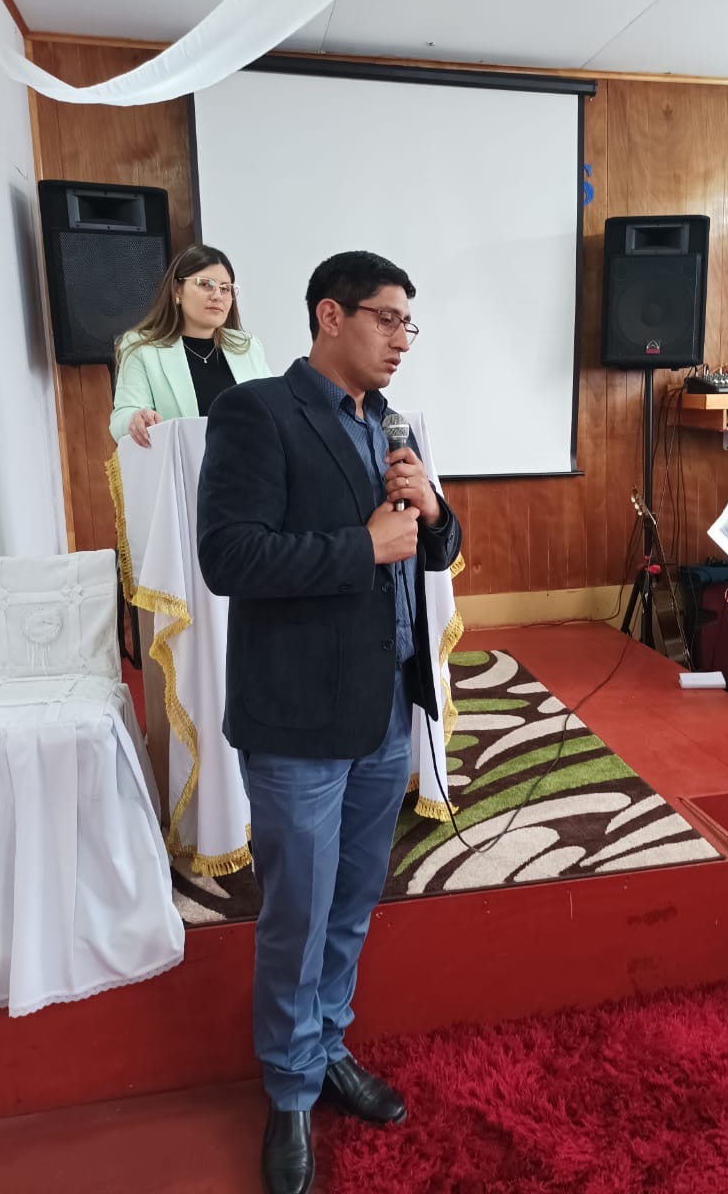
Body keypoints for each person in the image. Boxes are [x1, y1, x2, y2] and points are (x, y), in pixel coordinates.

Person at [196, 250, 461, 1194]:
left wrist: (432, 512)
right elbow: (229, 557)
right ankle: (288, 1088)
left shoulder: (388, 425)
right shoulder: (258, 412)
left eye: (407, 324)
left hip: (384, 708)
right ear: (329, 316)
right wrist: (362, 546)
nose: (401, 340)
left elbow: (434, 545)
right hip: (299, 716)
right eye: (386, 319)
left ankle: (327, 1044)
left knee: (351, 903)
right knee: (297, 914)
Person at [109, 243, 271, 446]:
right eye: (205, 284)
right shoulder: (143, 348)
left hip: (248, 461)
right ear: (177, 290)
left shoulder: (247, 346)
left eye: (225, 288)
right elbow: (121, 417)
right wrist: (135, 419)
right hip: (184, 463)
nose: (217, 296)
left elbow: (274, 407)